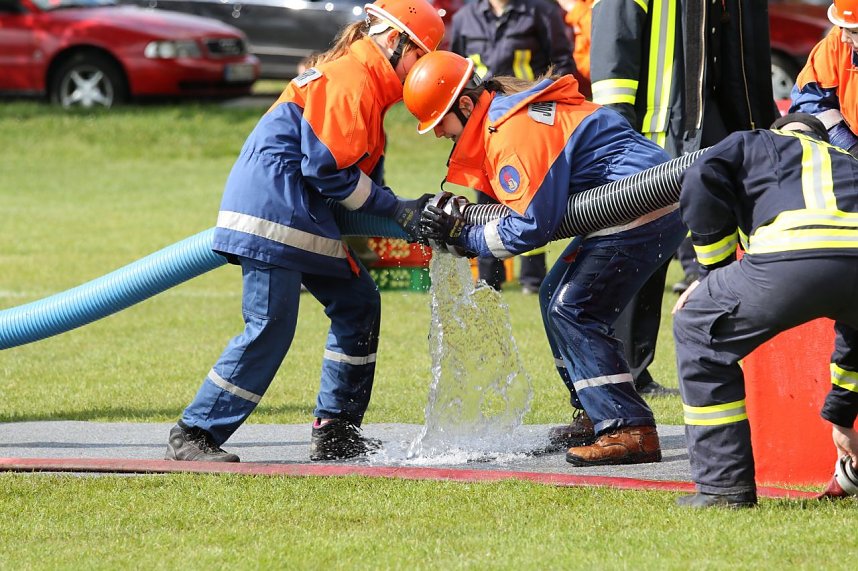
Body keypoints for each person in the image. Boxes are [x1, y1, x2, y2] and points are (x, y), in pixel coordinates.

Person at [164, 0, 445, 463]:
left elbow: (362, 185)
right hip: (275, 210)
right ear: (394, 40)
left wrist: (403, 214)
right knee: (270, 326)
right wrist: (399, 210)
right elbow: (328, 170)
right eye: (421, 55)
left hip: (303, 214)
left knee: (358, 303)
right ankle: (194, 433)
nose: (422, 70)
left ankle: (336, 430)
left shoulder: (367, 87)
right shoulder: (353, 78)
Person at [403, 51, 686, 465]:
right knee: (554, 295)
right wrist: (466, 228)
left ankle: (628, 429)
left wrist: (465, 235)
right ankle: (595, 411)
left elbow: (532, 227)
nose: (437, 135)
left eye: (439, 122)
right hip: (633, 205)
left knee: (573, 308)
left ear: (464, 104)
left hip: (643, 203)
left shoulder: (509, 130)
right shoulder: (506, 118)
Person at [584, 0, 777, 401]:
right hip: (653, 134)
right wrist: (616, 138)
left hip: (716, 124)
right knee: (638, 257)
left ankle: (729, 362)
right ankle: (626, 373)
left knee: (727, 250)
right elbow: (614, 50)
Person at [671, 113, 858, 508]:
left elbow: (700, 174)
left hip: (789, 259)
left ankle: (723, 490)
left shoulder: (753, 141)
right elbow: (853, 344)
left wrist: (713, 272)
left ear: (778, 132)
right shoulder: (849, 160)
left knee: (698, 329)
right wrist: (842, 418)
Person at [449, 0, 576, 293]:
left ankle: (533, 277)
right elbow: (455, 71)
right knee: (486, 198)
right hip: (481, 127)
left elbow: (562, 62)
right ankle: (488, 277)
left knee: (529, 198)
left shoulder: (541, 12)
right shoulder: (465, 18)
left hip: (526, 126)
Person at [789, 0, 858, 157]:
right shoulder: (835, 44)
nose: (844, 38)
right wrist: (850, 147)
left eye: (854, 31)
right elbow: (810, 105)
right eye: (842, 28)